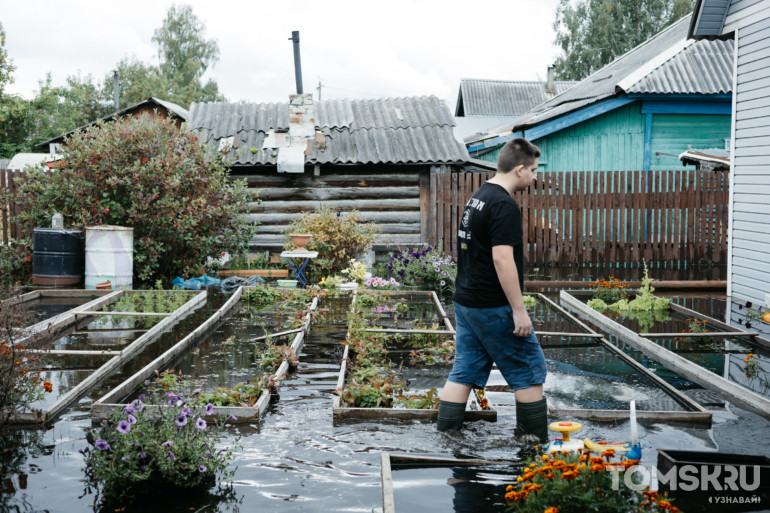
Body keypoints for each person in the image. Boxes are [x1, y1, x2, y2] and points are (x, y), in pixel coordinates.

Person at [437, 137, 548, 443]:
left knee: (465, 371)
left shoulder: (478, 198)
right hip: (493, 306)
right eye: (534, 170)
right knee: (529, 370)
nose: (535, 177)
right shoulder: (504, 204)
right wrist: (518, 310)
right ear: (520, 169)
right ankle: (533, 449)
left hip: (467, 301)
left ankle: (447, 437)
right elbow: (502, 258)